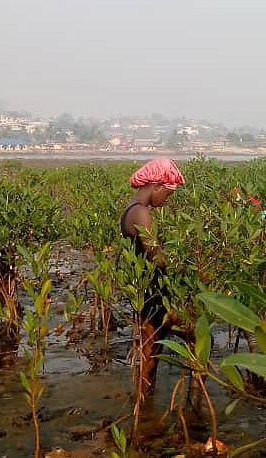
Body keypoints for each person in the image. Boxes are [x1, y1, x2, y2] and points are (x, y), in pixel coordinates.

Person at [120, 158, 184, 394]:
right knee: (152, 349)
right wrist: (181, 265)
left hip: (146, 287)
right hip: (152, 290)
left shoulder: (132, 208)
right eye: (167, 195)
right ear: (156, 186)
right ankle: (144, 400)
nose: (166, 201)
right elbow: (156, 257)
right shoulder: (140, 212)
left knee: (153, 346)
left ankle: (145, 400)